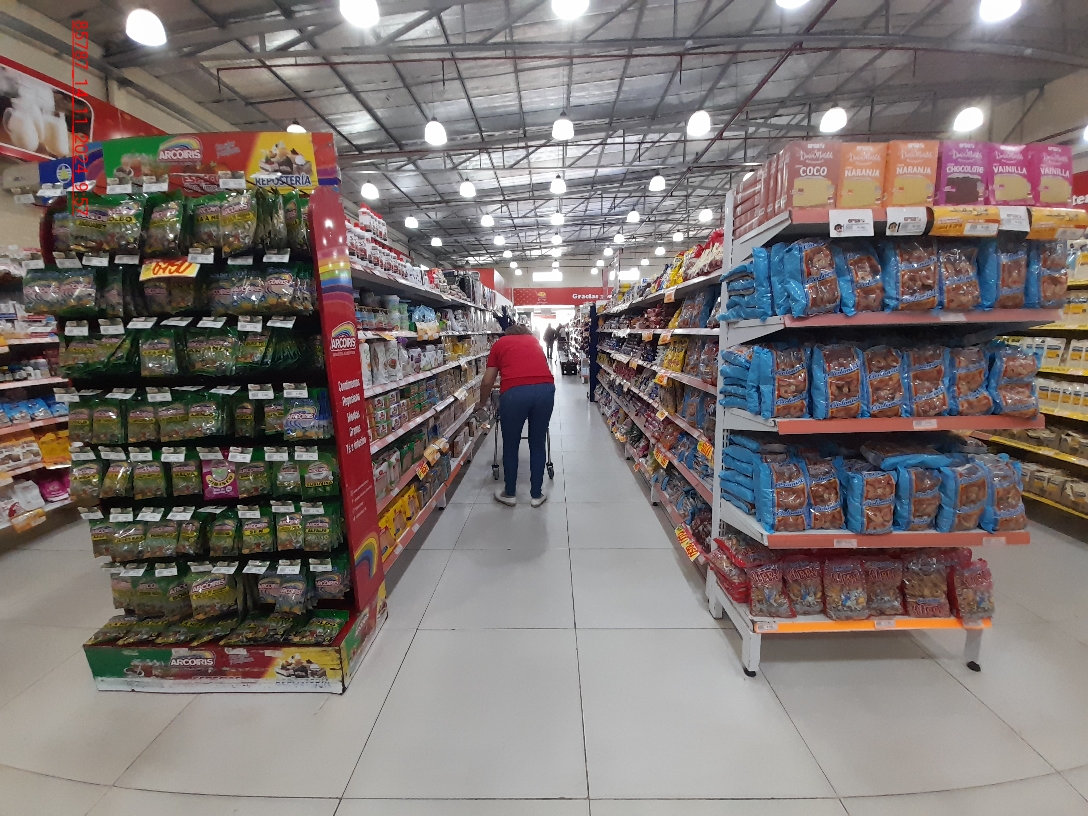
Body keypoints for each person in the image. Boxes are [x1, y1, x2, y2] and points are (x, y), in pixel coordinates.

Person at [477, 323, 555, 507]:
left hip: (514, 394)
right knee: (538, 444)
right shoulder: (534, 342)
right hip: (545, 391)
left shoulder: (500, 343)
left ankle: (510, 493)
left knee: (511, 444)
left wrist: (481, 403)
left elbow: (487, 380)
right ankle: (536, 495)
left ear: (507, 333)